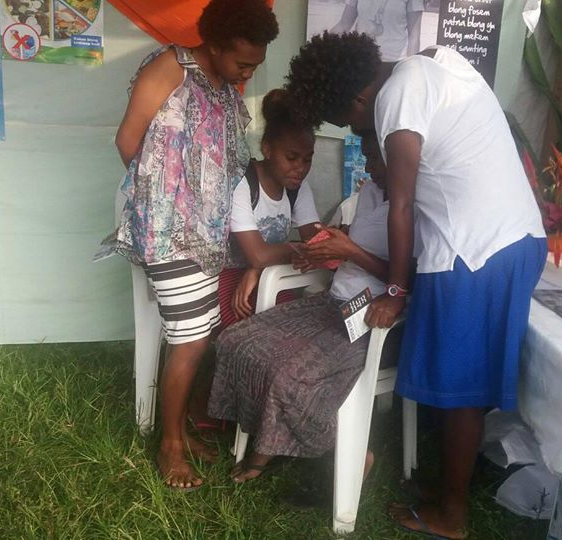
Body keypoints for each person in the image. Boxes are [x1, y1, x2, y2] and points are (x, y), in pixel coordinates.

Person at [285, 33, 548, 539]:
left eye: (349, 122)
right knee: (454, 381)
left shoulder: (398, 93)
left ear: (359, 100)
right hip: (501, 239)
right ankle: (446, 490)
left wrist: (395, 291)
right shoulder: (429, 66)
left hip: (476, 249)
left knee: (462, 388)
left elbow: (401, 205)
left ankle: (452, 515)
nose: (360, 133)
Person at [99, 0, 278, 491]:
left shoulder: (223, 88)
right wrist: (164, 204)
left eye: (255, 65)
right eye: (243, 61)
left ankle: (181, 429)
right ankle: (170, 446)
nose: (249, 71)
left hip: (208, 232)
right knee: (191, 339)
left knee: (203, 332)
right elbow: (127, 140)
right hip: (168, 231)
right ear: (214, 44)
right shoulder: (169, 67)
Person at [208, 132, 399, 483]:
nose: (369, 168)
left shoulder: (417, 205)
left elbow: (412, 280)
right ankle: (266, 437)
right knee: (237, 340)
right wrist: (256, 265)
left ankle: (344, 452)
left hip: (373, 316)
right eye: (368, 157)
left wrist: (350, 252)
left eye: (377, 159)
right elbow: (314, 245)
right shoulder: (370, 193)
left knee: (290, 372)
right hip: (332, 302)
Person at [217, 88, 322, 329]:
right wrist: (300, 250)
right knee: (254, 330)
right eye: (292, 157)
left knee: (290, 326)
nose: (300, 168)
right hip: (225, 274)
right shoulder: (242, 182)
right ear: (267, 149)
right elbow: (258, 254)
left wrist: (257, 268)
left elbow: (319, 242)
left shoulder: (298, 188)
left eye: (307, 159)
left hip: (269, 274)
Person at [329, 0, 423, 62]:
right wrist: (321, 47)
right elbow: (344, 25)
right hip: (360, 61)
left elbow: (414, 37)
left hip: (392, 64)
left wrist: (412, 68)